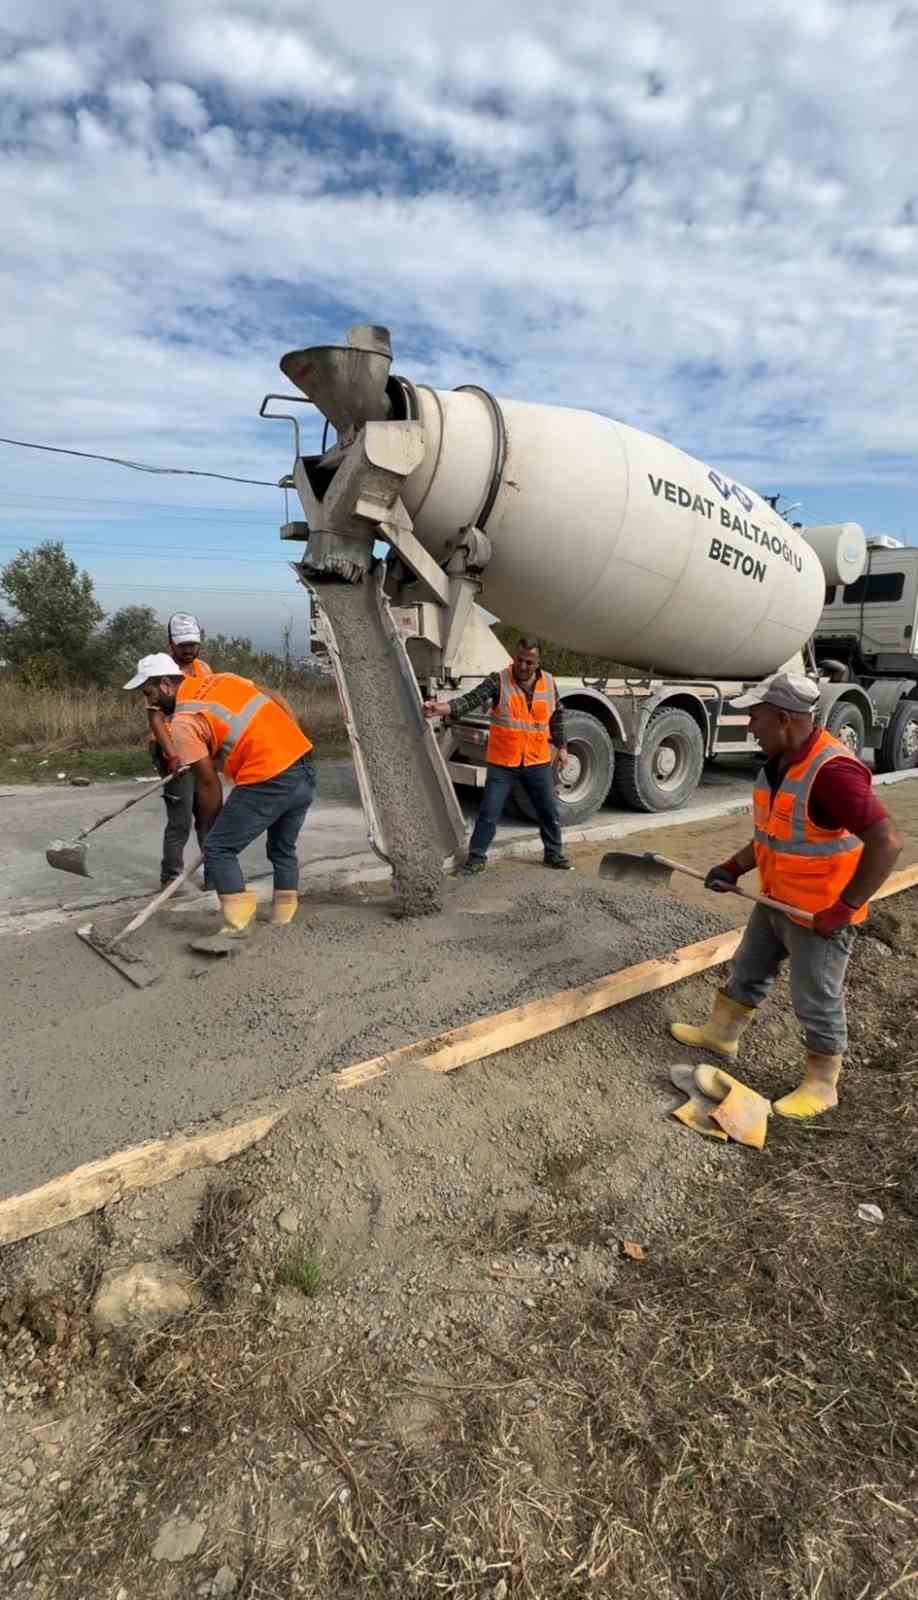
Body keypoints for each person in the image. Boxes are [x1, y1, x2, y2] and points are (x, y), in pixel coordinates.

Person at [670, 672, 902, 1117]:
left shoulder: (833, 773)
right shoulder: (777, 764)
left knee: (816, 998)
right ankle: (722, 1034)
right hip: (775, 900)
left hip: (820, 915)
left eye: (754, 718)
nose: (749, 728)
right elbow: (774, 836)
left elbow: (887, 842)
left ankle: (821, 1085)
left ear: (783, 718)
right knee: (748, 969)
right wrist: (734, 868)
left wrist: (846, 907)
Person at [125, 653, 315, 939]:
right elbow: (271, 695)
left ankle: (237, 926)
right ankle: (282, 917)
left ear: (165, 684)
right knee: (282, 848)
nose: (149, 702)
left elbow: (207, 783)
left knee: (219, 849)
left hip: (268, 778)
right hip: (303, 766)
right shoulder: (222, 679)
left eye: (149, 692)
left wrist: (212, 832)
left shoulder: (183, 721)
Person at [425, 637, 573, 875]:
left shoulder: (548, 682)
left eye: (529, 662)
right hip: (503, 762)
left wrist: (562, 747)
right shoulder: (499, 680)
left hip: (537, 760)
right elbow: (469, 700)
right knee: (489, 812)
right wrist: (440, 709)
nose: (522, 666)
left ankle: (553, 854)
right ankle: (476, 859)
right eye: (519, 660)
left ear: (538, 662)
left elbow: (556, 717)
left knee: (548, 810)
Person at [147, 614, 213, 891]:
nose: (188, 650)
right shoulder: (160, 671)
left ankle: (216, 872)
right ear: (171, 644)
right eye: (182, 644)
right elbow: (156, 719)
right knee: (181, 818)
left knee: (209, 812)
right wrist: (171, 754)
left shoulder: (204, 669)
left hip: (199, 747)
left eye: (193, 644)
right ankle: (170, 878)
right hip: (170, 749)